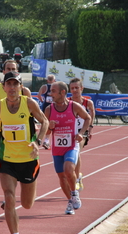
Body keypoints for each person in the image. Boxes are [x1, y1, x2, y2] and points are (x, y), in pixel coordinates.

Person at [0, 71, 48, 234]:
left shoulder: (29, 103)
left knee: (26, 204)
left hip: (28, 159)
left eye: (15, 84)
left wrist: (38, 142)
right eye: (8, 84)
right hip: (7, 158)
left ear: (20, 87)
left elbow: (45, 122)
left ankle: (22, 195)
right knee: (9, 196)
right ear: (4, 87)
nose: (11, 88)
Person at [45, 81, 91, 215]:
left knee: (68, 169)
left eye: (53, 91)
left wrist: (81, 133)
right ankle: (70, 200)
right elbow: (45, 132)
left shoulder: (74, 106)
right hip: (57, 148)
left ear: (62, 92)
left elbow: (87, 118)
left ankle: (74, 193)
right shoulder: (49, 109)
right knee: (61, 176)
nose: (51, 93)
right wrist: (49, 127)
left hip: (71, 145)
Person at [68, 78, 95, 191]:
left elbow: (92, 113)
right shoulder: (67, 102)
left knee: (77, 149)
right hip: (69, 133)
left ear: (81, 88)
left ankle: (77, 178)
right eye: (72, 88)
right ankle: (74, 175)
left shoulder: (87, 103)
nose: (74, 90)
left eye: (76, 88)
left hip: (81, 132)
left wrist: (90, 128)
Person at [37, 74, 56, 149]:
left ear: (47, 80)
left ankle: (42, 139)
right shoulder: (55, 87)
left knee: (45, 123)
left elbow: (39, 95)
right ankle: (46, 140)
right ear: (54, 80)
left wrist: (42, 101)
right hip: (53, 107)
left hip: (45, 106)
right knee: (51, 123)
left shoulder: (44, 87)